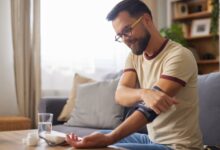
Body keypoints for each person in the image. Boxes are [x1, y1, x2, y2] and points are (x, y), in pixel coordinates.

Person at [66, 0, 203, 149]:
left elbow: (148, 111)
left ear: (146, 20)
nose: (125, 39)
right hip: (152, 139)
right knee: (93, 139)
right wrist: (144, 93)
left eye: (127, 30)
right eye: (120, 35)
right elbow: (120, 95)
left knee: (106, 144)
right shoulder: (134, 57)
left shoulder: (179, 56)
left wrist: (110, 138)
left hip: (178, 146)